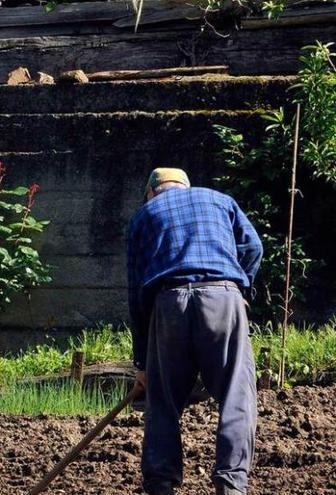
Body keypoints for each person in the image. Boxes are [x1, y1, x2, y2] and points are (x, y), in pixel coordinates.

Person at [125, 168, 263, 495]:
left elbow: (135, 293)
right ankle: (231, 485)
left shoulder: (143, 216)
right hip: (222, 297)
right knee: (235, 396)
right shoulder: (221, 201)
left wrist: (143, 364)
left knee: (163, 402)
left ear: (151, 193)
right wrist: (242, 293)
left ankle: (160, 485)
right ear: (186, 186)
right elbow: (253, 247)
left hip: (168, 302)